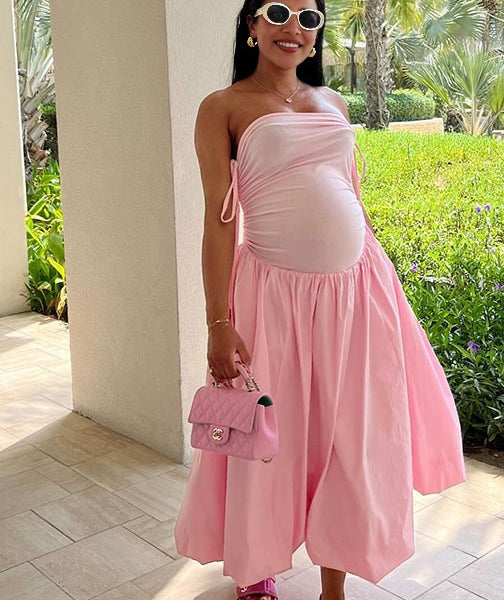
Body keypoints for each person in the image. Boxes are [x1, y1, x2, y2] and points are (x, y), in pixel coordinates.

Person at [174, 2, 467, 599]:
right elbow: (220, 221)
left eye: (309, 19)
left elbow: (347, 194)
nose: (294, 28)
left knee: (350, 439)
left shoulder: (333, 102)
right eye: (279, 12)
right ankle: (256, 569)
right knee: (268, 436)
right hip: (271, 296)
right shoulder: (223, 107)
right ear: (252, 25)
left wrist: (377, 280)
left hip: (356, 294)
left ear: (317, 36)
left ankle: (335, 584)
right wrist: (217, 320)